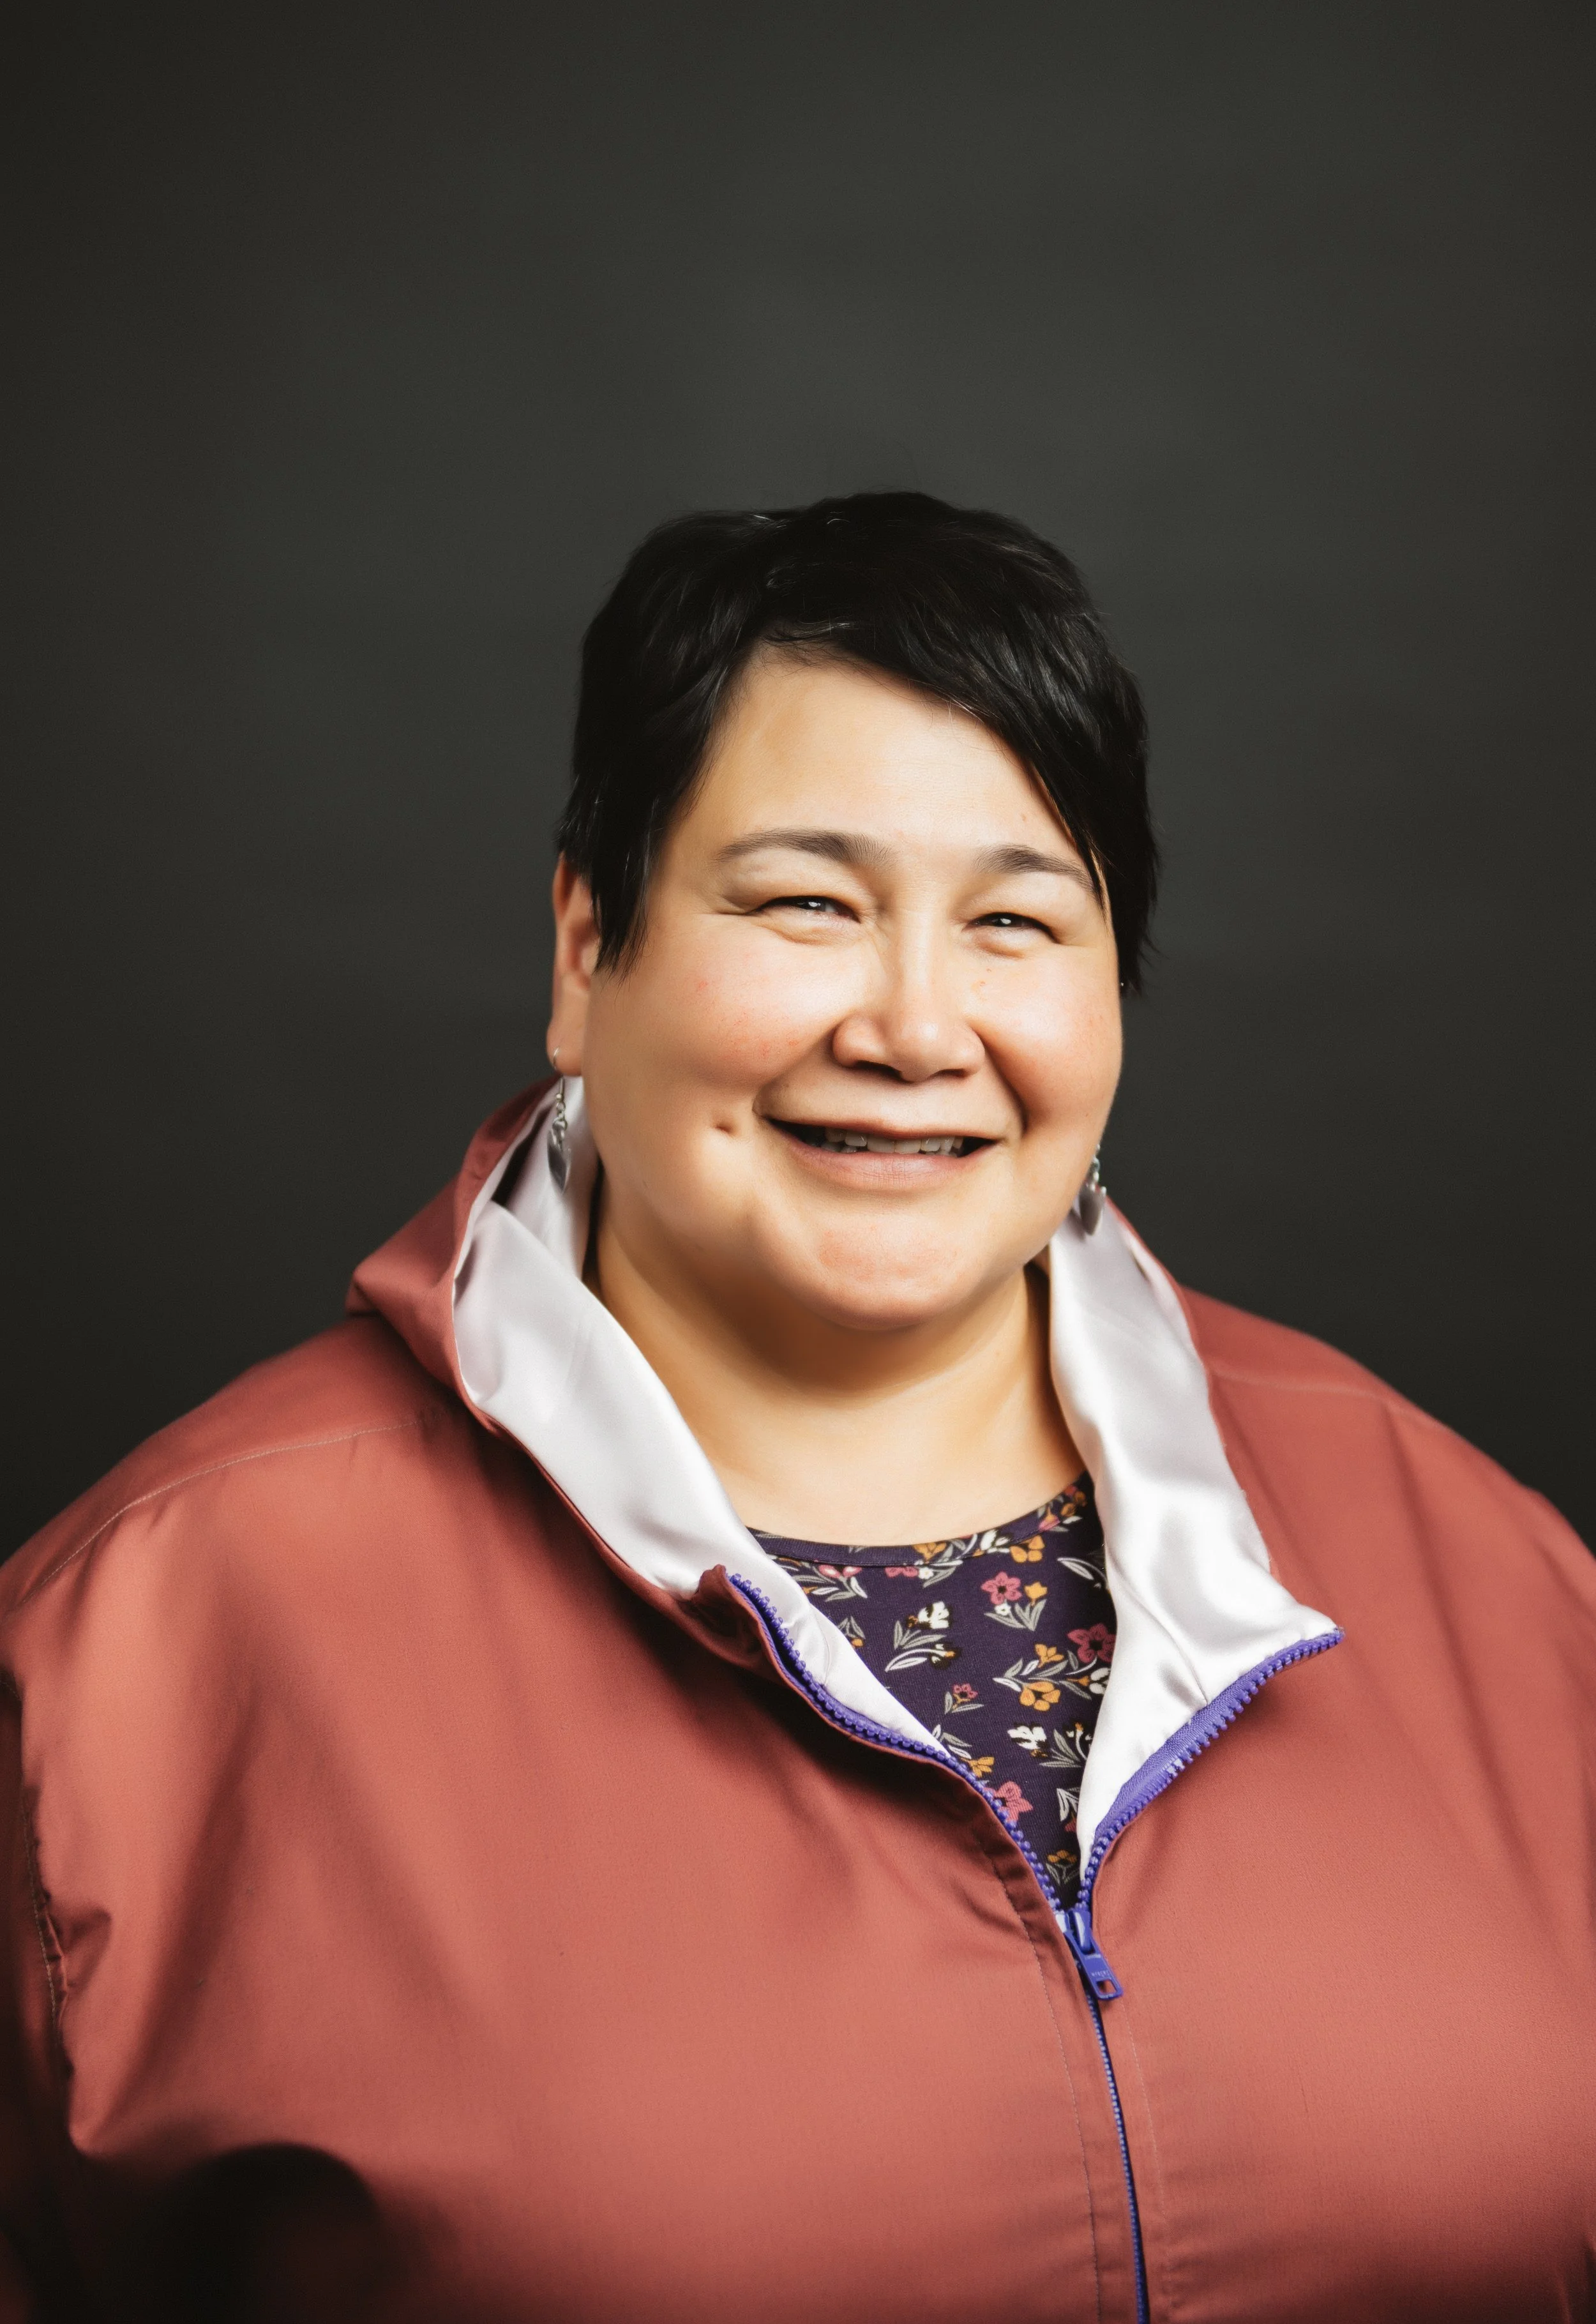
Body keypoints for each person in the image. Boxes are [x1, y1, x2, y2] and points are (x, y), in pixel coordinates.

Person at [3, 494, 1592, 2324]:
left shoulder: (1482, 1569)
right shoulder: (137, 1656)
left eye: (1017, 924)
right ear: (586, 950)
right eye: (806, 906)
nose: (917, 1026)